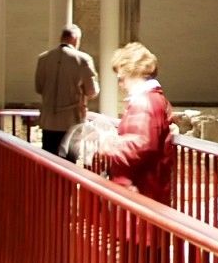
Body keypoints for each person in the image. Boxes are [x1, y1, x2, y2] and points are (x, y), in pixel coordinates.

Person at [94, 42, 176, 204]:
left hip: (140, 192)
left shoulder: (145, 102)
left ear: (132, 72)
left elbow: (141, 145)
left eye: (121, 79)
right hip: (145, 190)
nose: (121, 85)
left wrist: (106, 144)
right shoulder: (152, 99)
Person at [33, 24, 98, 161]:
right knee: (69, 163)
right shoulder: (82, 59)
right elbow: (91, 91)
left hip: (48, 120)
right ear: (75, 39)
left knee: (49, 162)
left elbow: (39, 88)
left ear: (61, 37)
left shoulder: (43, 58)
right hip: (71, 121)